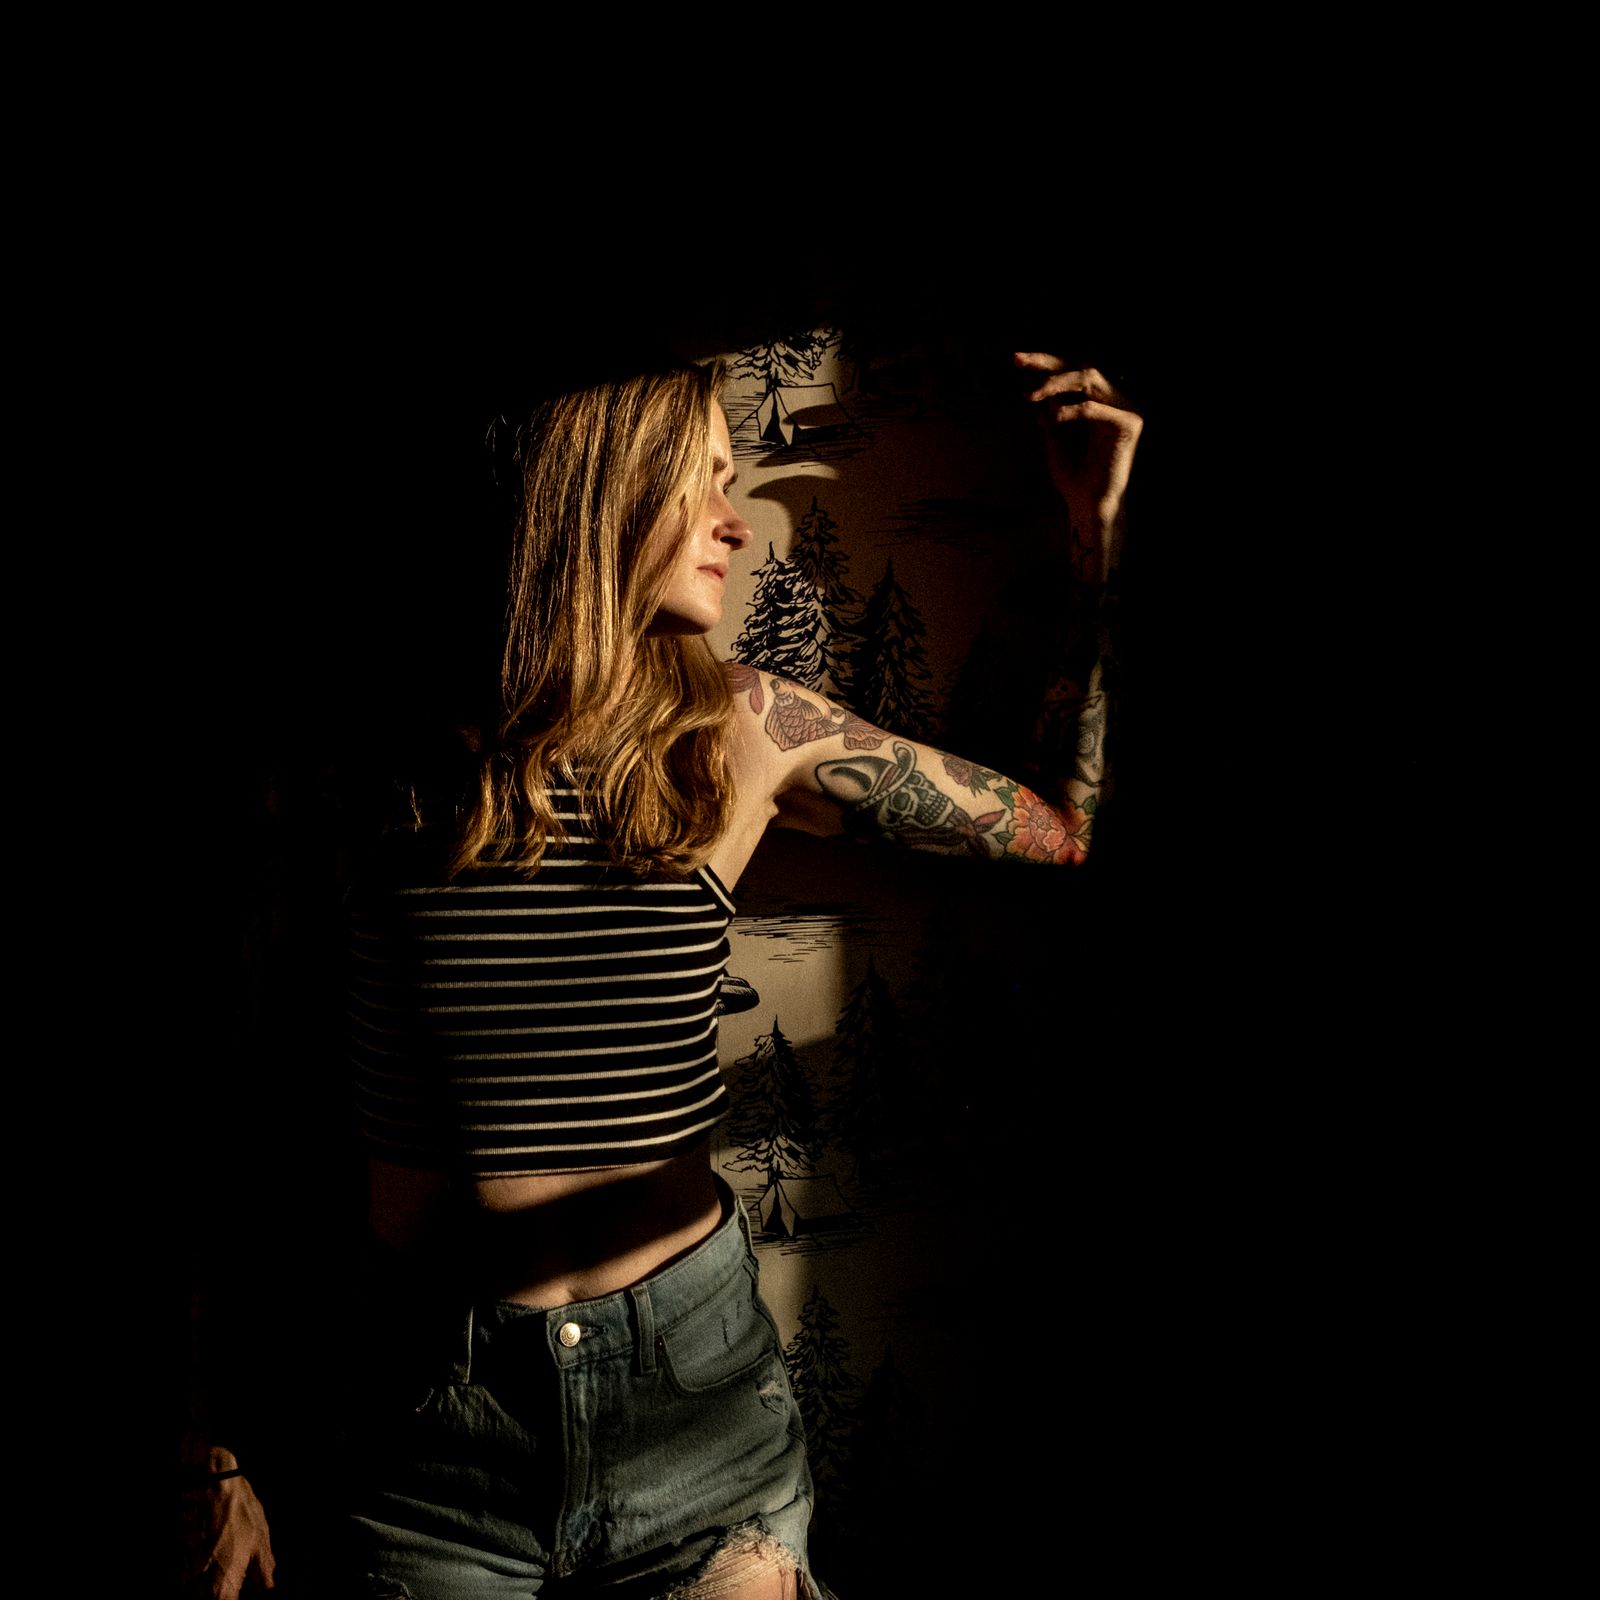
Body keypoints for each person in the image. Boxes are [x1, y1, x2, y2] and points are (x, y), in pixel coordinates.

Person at [183, 347, 1142, 1598]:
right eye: (704, 482)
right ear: (597, 490)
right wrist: (211, 1445)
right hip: (428, 1435)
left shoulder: (747, 729)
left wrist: (1096, 530)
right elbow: (232, 1098)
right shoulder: (365, 762)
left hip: (696, 1411)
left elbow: (1061, 831)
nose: (737, 525)